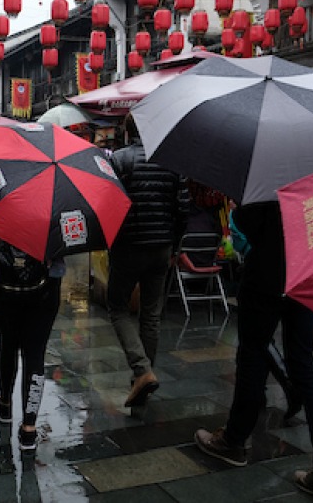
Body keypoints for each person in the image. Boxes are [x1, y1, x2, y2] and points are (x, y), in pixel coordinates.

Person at [195, 202, 313, 498]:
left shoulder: (270, 176)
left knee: (252, 354)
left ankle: (233, 440)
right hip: (306, 271)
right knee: (303, 363)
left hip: (267, 271)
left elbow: (245, 220)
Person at [107, 113, 190, 408]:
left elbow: (109, 202)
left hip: (128, 245)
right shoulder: (172, 161)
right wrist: (174, 245)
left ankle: (142, 372)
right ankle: (144, 377)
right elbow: (183, 209)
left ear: (127, 132)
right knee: (151, 315)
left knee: (117, 308)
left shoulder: (119, 160)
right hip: (161, 248)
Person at [0, 231, 64, 453]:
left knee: (7, 344)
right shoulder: (61, 203)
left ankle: (5, 404)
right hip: (46, 288)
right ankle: (29, 428)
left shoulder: (2, 198)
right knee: (35, 354)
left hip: (6, 287)